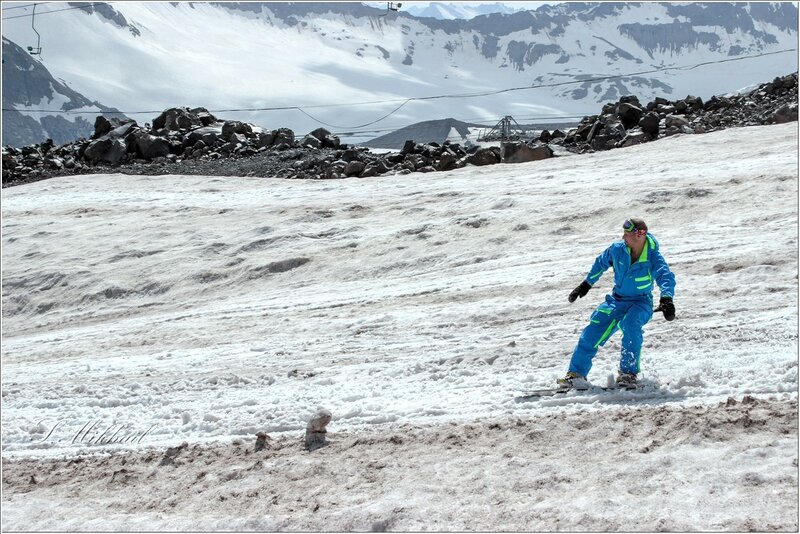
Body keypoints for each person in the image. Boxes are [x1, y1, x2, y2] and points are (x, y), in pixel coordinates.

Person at [559, 217, 675, 388]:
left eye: (627, 234)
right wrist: (586, 284)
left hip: (640, 303)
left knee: (630, 324)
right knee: (593, 329)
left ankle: (628, 374)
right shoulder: (618, 250)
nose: (623, 237)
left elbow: (665, 276)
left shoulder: (653, 256)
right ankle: (576, 375)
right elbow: (601, 262)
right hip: (616, 300)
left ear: (640, 235)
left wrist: (666, 298)